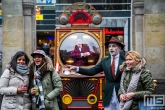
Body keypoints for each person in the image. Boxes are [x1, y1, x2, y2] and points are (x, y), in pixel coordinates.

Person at [65, 37, 125, 110]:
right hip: (108, 95)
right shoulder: (104, 61)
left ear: (119, 48)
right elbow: (92, 71)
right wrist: (77, 68)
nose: (111, 48)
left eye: (114, 46)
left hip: (122, 94)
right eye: (109, 46)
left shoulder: (125, 60)